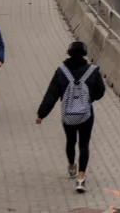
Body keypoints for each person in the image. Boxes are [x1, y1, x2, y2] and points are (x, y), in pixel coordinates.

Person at [36, 41, 105, 194]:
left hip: (68, 114)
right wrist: (89, 98)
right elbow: (100, 92)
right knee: (84, 144)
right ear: (85, 53)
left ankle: (71, 166)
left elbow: (52, 94)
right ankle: (81, 178)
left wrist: (41, 114)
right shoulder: (92, 71)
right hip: (86, 114)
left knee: (71, 141)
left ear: (69, 52)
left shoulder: (61, 71)